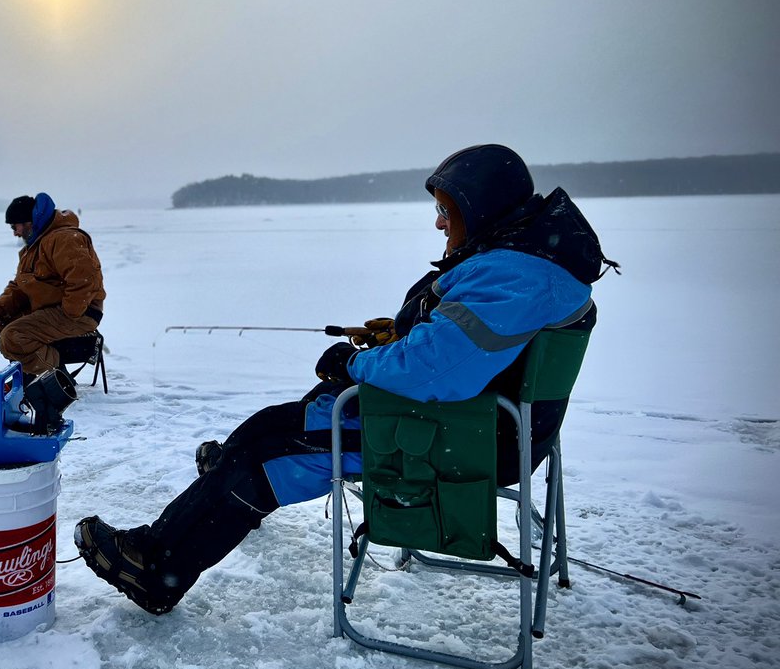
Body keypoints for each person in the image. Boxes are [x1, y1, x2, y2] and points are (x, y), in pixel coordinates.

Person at [74, 144, 616, 615]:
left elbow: (431, 370)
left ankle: (159, 567)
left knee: (267, 448)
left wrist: (352, 364)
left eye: (448, 211)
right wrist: (400, 332)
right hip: (467, 423)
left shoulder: (517, 275)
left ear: (484, 209)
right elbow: (459, 346)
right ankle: (224, 487)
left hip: (456, 441)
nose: (439, 223)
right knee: (269, 429)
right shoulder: (529, 260)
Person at [0, 192, 105, 377]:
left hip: (80, 313)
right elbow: (19, 286)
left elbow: (84, 280)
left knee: (13, 336)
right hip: (54, 309)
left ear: (29, 222)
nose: (15, 233)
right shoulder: (32, 248)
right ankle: (33, 376)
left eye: (14, 227)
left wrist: (69, 314)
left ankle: (53, 377)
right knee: (4, 325)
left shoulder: (64, 238)